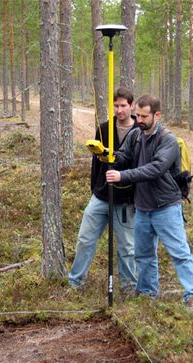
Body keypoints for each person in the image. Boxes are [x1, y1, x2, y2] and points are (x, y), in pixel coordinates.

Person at [106, 95, 193, 311]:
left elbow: (155, 168)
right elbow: (124, 155)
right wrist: (107, 155)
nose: (139, 119)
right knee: (144, 254)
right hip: (142, 207)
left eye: (144, 116)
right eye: (138, 115)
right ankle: (148, 293)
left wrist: (123, 176)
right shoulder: (136, 135)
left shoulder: (168, 140)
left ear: (157, 115)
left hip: (166, 207)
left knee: (179, 253)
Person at [68, 87, 138, 295]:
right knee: (85, 239)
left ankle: (129, 288)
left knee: (126, 247)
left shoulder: (139, 132)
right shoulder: (104, 129)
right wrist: (95, 188)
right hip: (100, 195)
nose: (119, 110)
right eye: (115, 106)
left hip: (125, 199)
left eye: (123, 106)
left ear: (132, 106)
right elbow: (95, 164)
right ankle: (76, 282)